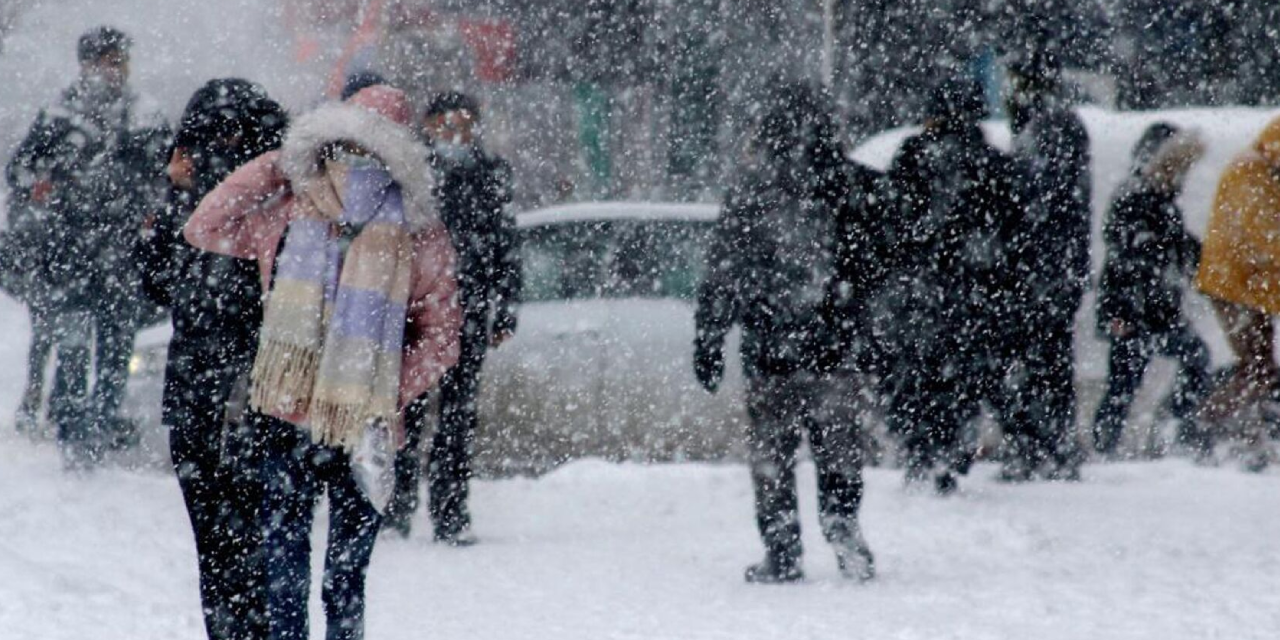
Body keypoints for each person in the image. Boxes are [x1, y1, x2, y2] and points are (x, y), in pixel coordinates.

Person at [184, 85, 462, 640]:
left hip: (347, 423)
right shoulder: (297, 211)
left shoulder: (413, 233)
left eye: (366, 150)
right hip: (308, 419)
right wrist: (280, 163)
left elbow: (442, 337)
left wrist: (380, 389)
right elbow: (204, 226)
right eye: (344, 148)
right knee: (308, 574)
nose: (353, 163)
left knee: (320, 574)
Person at [694, 83, 874, 584]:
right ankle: (843, 529)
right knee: (839, 454)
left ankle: (782, 550)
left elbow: (724, 271)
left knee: (773, 459)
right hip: (835, 349)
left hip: (771, 350)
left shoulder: (752, 191)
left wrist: (709, 338)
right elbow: (875, 268)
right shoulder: (850, 186)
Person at [139, 78, 287, 640]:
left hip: (243, 389)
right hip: (211, 390)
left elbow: (163, 283)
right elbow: (156, 281)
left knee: (241, 539)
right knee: (230, 539)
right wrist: (173, 195)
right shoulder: (195, 202)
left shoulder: (271, 201)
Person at [4, 26, 169, 466]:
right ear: (87, 65)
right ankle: (73, 433)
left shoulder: (145, 115)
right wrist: (40, 184)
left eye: (121, 61)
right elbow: (19, 171)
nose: (117, 70)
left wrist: (153, 208)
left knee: (115, 351)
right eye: (109, 61)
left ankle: (97, 431)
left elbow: (165, 175)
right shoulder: (59, 115)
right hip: (69, 254)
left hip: (121, 255)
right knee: (74, 348)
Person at [382, 91, 519, 543]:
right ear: (429, 125)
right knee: (408, 411)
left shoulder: (490, 173)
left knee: (458, 417)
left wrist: (505, 308)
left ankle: (451, 512)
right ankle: (396, 507)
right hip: (417, 312)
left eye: (465, 124)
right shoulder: (410, 171)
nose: (456, 134)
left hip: (468, 310)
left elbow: (505, 243)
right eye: (447, 124)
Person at [878, 76, 1024, 493]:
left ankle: (920, 452)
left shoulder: (912, 156)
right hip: (976, 293)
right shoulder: (992, 162)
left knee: (916, 376)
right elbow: (1013, 232)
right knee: (964, 379)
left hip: (921, 291)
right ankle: (951, 453)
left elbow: (891, 222)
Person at [1093, 123, 1210, 457]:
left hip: (1155, 310)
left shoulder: (1160, 200)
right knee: (1125, 383)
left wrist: (1207, 262)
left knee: (1188, 360)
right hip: (1131, 311)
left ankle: (1168, 425)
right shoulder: (1134, 197)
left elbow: (1179, 247)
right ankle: (1111, 444)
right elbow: (1130, 254)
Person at [1004, 51, 1092, 480]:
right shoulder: (1059, 124)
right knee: (1048, 358)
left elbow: (1040, 200)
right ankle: (1048, 445)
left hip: (1043, 269)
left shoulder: (1048, 128)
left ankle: (1042, 447)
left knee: (1041, 358)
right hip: (1054, 267)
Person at [1195, 116, 1280, 424]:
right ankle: (1202, 426)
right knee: (1257, 370)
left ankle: (1242, 433)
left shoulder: (1265, 171)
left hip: (1249, 286)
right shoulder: (1250, 173)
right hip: (1233, 287)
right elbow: (1270, 236)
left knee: (1259, 368)